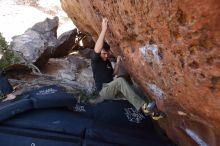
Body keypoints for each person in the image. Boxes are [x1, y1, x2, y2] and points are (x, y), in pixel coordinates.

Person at [90, 18, 164, 120]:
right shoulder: (95, 60)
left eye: (107, 53)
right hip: (103, 91)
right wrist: (103, 29)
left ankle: (154, 115)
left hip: (112, 90)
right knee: (120, 81)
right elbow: (97, 48)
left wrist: (118, 62)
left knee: (134, 90)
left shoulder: (106, 61)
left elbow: (113, 74)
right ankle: (144, 107)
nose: (106, 56)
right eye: (104, 53)